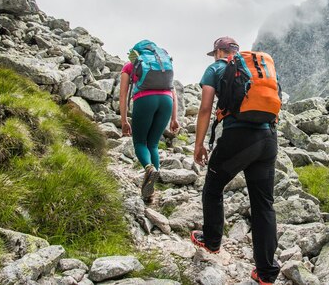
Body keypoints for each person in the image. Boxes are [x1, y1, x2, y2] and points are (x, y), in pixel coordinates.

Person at [191, 36, 280, 285]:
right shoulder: (260, 68)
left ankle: (211, 241)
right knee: (264, 204)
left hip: (238, 137)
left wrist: (199, 145)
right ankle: (266, 273)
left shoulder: (216, 68)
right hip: (268, 139)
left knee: (213, 187)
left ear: (219, 51)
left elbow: (206, 108)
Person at [119, 54, 179, 203]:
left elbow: (123, 95)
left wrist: (124, 120)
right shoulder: (163, 67)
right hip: (166, 101)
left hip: (144, 100)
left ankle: (148, 167)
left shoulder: (129, 66)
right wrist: (174, 118)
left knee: (140, 142)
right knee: (153, 144)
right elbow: (174, 92)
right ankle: (150, 191)